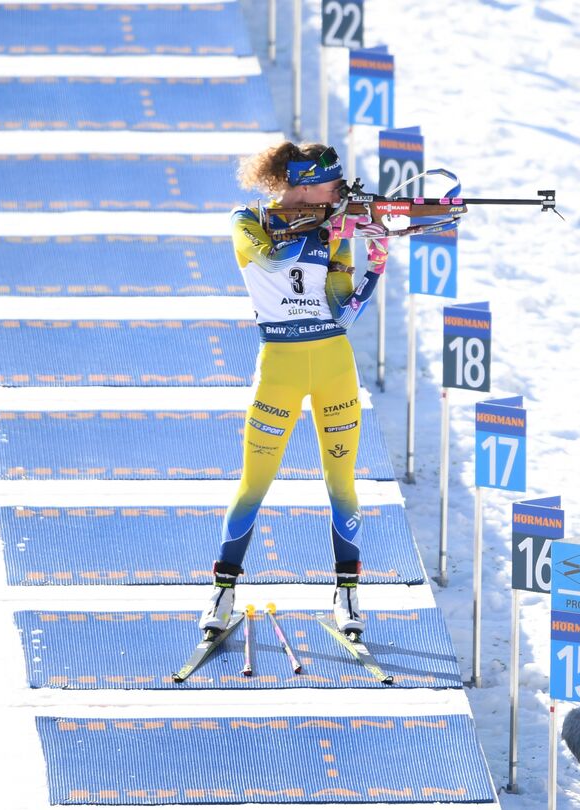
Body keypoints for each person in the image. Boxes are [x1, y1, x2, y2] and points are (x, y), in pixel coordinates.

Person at [199, 141, 389, 641]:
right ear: (302, 185)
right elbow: (270, 261)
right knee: (253, 483)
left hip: (333, 364)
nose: (339, 194)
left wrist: (376, 257)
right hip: (279, 366)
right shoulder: (247, 220)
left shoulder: (333, 227)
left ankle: (347, 592)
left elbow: (343, 311)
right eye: (331, 186)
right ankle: (222, 590)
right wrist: (328, 230)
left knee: (341, 483)